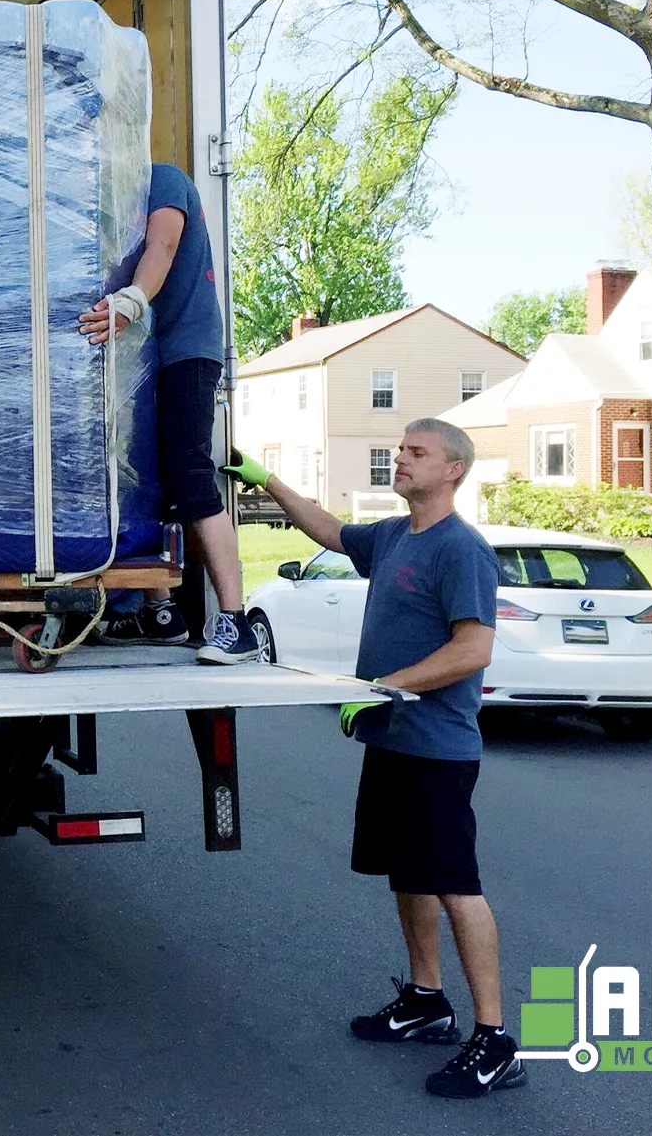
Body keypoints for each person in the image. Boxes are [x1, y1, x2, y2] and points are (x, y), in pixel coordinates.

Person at [222, 419, 523, 1100]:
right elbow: (328, 529)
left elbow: (474, 648)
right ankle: (426, 999)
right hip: (392, 740)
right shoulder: (392, 535)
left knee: (455, 883)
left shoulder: (461, 549)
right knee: (408, 873)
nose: (401, 457)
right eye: (400, 448)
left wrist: (392, 685)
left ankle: (496, 1038)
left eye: (417, 451)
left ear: (453, 470)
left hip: (438, 748)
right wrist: (263, 478)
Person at [77, 162, 260, 663]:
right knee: (143, 475)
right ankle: (159, 612)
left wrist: (131, 300)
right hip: (144, 354)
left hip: (186, 349)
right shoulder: (110, 202)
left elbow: (164, 244)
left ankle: (236, 621)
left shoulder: (162, 177)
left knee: (188, 470)